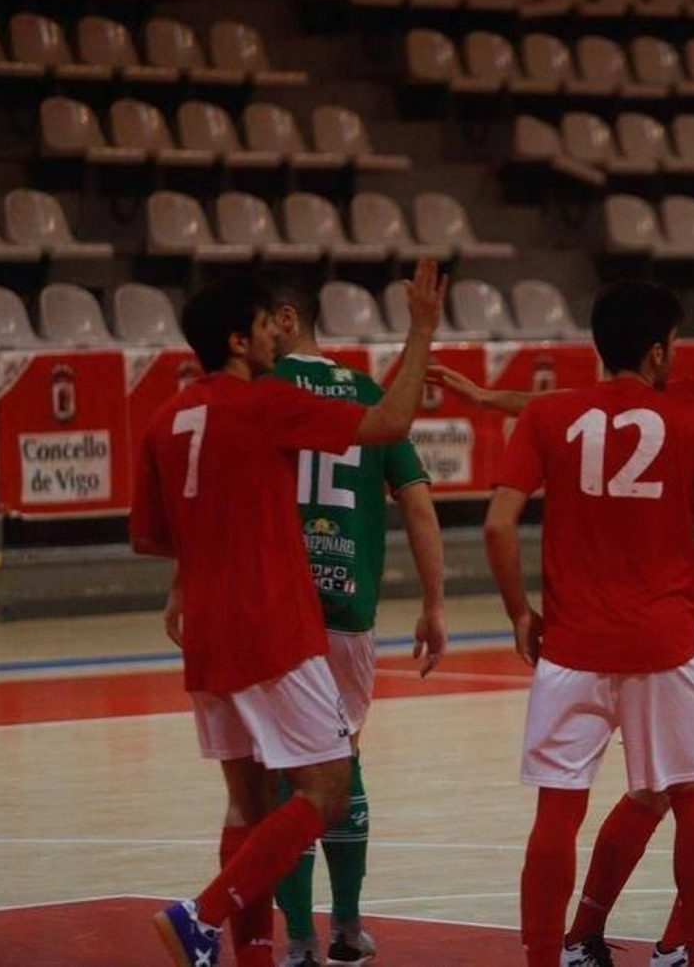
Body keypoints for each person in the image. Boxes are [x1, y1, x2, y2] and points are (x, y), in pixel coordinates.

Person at [432, 284, 694, 967]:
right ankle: (585, 933)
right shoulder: (689, 402)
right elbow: (588, 415)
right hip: (677, 614)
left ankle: (677, 945)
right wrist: (489, 401)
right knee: (664, 792)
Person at [130, 264, 444, 967]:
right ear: (240, 339)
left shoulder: (166, 418)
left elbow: (150, 536)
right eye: (264, 324)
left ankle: (251, 958)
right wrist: (421, 329)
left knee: (247, 803)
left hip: (206, 634)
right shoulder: (263, 403)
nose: (277, 333)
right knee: (326, 787)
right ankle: (201, 916)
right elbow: (391, 420)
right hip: (271, 626)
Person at [482, 281, 694, 967]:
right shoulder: (691, 421)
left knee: (557, 813)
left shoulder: (547, 414)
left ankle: (544, 958)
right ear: (658, 351)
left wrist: (519, 613)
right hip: (664, 641)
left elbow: (498, 524)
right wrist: (666, 552)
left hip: (572, 644)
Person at [268, 279, 449, 967]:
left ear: (285, 320)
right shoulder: (370, 393)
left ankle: (297, 941)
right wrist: (433, 604)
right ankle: (346, 927)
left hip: (275, 607)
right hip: (349, 608)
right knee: (341, 762)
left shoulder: (261, 391)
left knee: (284, 772)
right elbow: (419, 505)